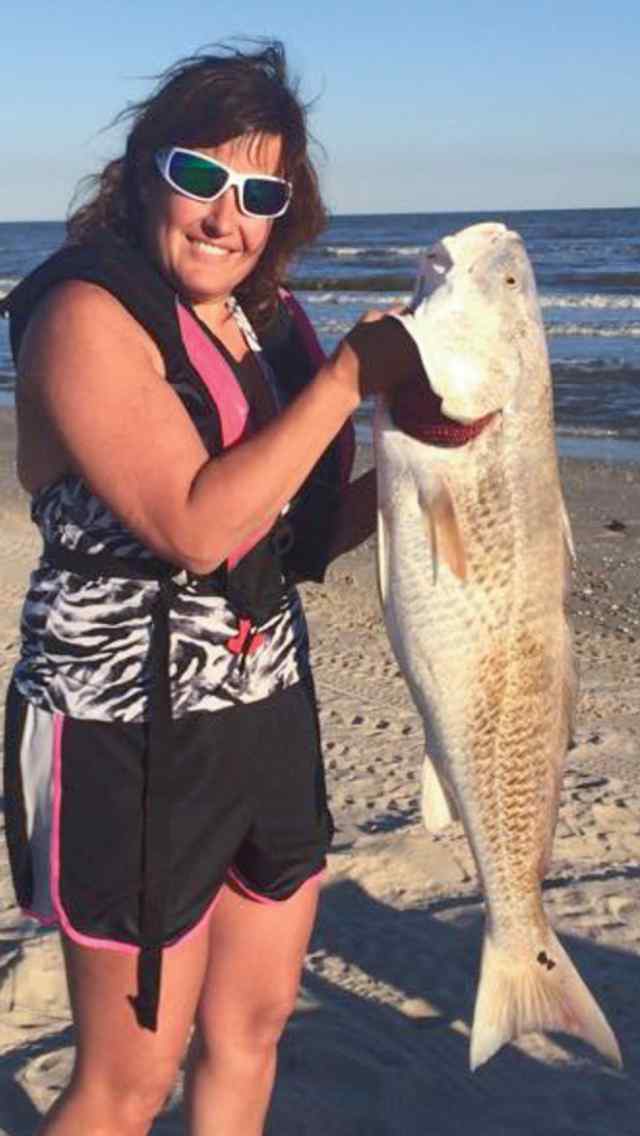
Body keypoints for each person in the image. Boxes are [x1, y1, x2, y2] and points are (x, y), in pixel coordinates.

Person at [1, 42, 419, 1136]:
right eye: (202, 177)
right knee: (127, 1081)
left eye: (261, 193)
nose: (226, 216)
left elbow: (302, 525)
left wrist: (441, 457)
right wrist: (347, 383)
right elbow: (193, 522)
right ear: (146, 172)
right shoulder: (84, 314)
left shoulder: (267, 323)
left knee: (251, 1026)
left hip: (266, 707)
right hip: (122, 728)